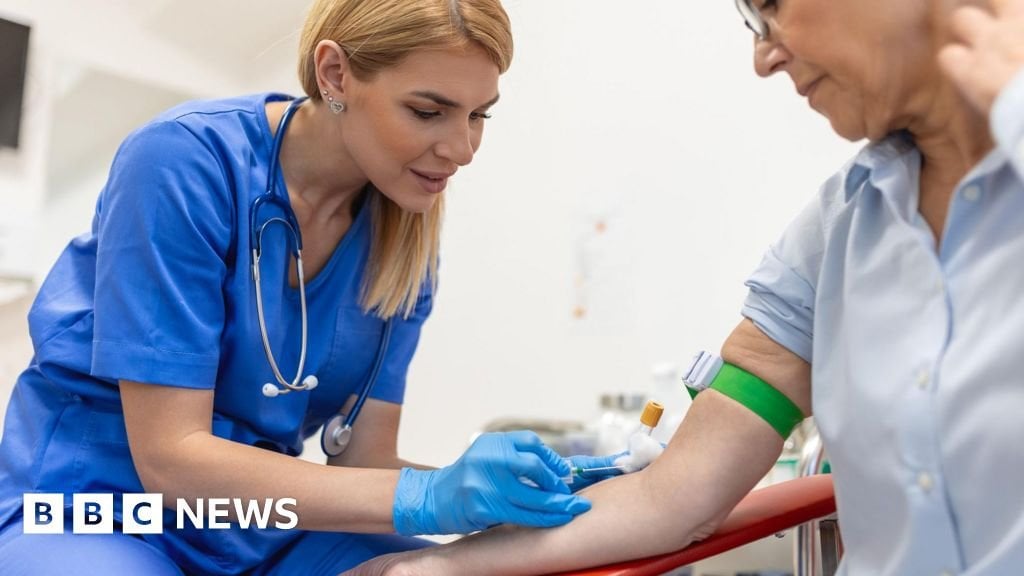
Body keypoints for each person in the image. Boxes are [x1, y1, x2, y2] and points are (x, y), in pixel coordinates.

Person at [341, 0, 1024, 574]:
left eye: (769, 8)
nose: (764, 56)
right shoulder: (841, 230)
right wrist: (433, 564)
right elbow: (674, 496)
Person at [0, 1, 618, 573]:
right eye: (428, 111)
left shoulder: (403, 243)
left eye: (479, 114)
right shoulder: (183, 162)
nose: (462, 149)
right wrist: (432, 496)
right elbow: (173, 459)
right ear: (335, 74)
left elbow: (367, 462)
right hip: (95, 510)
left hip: (257, 523)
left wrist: (508, 498)